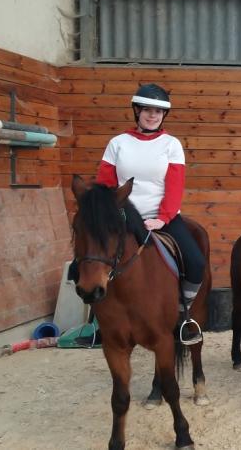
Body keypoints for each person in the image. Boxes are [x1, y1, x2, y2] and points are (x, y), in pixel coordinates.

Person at [95, 83, 205, 343]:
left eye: (158, 111)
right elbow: (105, 183)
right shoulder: (117, 143)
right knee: (92, 259)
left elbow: (175, 185)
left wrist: (163, 218)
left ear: (163, 115)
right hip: (122, 218)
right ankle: (102, 318)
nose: (152, 115)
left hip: (161, 217)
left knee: (196, 263)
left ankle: (183, 312)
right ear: (137, 111)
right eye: (147, 110)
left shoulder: (171, 145)